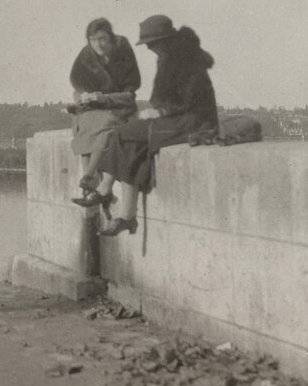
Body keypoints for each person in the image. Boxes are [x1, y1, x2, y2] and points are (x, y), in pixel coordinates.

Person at [73, 14, 218, 237]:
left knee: (123, 134)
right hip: (179, 118)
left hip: (194, 122)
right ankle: (127, 218)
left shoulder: (186, 59)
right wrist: (158, 110)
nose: (149, 48)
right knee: (131, 142)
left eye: (151, 43)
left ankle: (104, 189)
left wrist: (160, 112)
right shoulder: (170, 56)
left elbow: (191, 100)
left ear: (164, 40)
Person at [67, 18, 141, 212]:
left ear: (110, 37)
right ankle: (90, 182)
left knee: (106, 123)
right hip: (93, 106)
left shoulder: (122, 47)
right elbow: (77, 83)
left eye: (102, 38)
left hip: (119, 103)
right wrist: (83, 97)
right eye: (93, 40)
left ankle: (89, 176)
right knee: (85, 123)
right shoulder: (87, 55)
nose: (98, 44)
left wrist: (104, 98)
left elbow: (131, 89)